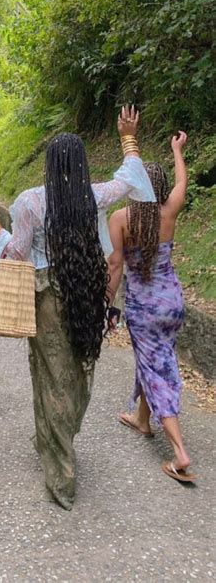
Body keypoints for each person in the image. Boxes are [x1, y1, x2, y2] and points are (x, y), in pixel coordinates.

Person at [0, 106, 155, 509]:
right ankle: (59, 433)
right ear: (83, 164)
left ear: (50, 166)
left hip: (46, 299)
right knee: (78, 370)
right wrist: (128, 138)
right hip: (86, 294)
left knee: (50, 377)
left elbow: (17, 253)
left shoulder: (30, 202)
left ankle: (61, 474)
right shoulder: (93, 197)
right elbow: (129, 179)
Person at [107, 131, 196, 482]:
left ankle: (179, 453)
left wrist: (107, 306)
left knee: (157, 370)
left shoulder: (121, 220)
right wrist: (177, 150)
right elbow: (182, 180)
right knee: (155, 359)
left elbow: (115, 266)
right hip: (172, 302)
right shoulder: (170, 210)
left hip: (143, 308)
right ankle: (142, 420)